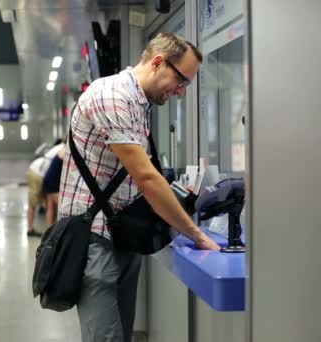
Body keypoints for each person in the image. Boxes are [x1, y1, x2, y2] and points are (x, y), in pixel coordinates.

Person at [57, 32, 220, 342]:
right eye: (182, 80)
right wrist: (195, 234)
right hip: (95, 236)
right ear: (158, 63)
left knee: (121, 333)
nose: (182, 92)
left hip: (121, 233)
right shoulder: (113, 97)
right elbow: (146, 178)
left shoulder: (137, 102)